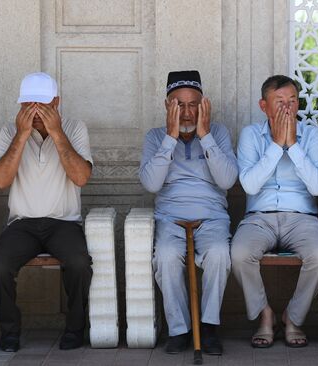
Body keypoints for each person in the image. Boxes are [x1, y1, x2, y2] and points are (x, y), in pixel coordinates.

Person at [0, 72, 93, 352]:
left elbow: (81, 177)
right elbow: (0, 181)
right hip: (22, 224)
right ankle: (10, 331)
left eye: (42, 105)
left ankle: (75, 328)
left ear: (56, 102)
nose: (34, 112)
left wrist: (57, 133)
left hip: (64, 222)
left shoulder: (74, 127)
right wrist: (21, 136)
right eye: (27, 105)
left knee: (80, 264)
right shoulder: (9, 131)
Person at [139, 70, 238, 355]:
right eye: (178, 104)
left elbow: (227, 180)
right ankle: (180, 329)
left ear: (204, 105)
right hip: (170, 218)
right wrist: (170, 138)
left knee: (219, 253)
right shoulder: (155, 136)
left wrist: (205, 136)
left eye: (192, 104)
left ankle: (208, 327)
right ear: (166, 105)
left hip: (212, 217)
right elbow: (151, 183)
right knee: (166, 257)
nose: (186, 112)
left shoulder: (218, 133)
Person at [231, 75, 318, 348]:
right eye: (280, 103)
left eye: (292, 101)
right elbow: (250, 185)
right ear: (263, 106)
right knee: (240, 254)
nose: (288, 109)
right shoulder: (251, 135)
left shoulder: (310, 135)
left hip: (302, 219)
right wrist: (276, 146)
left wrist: (294, 147)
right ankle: (265, 315)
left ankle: (293, 316)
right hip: (259, 218)